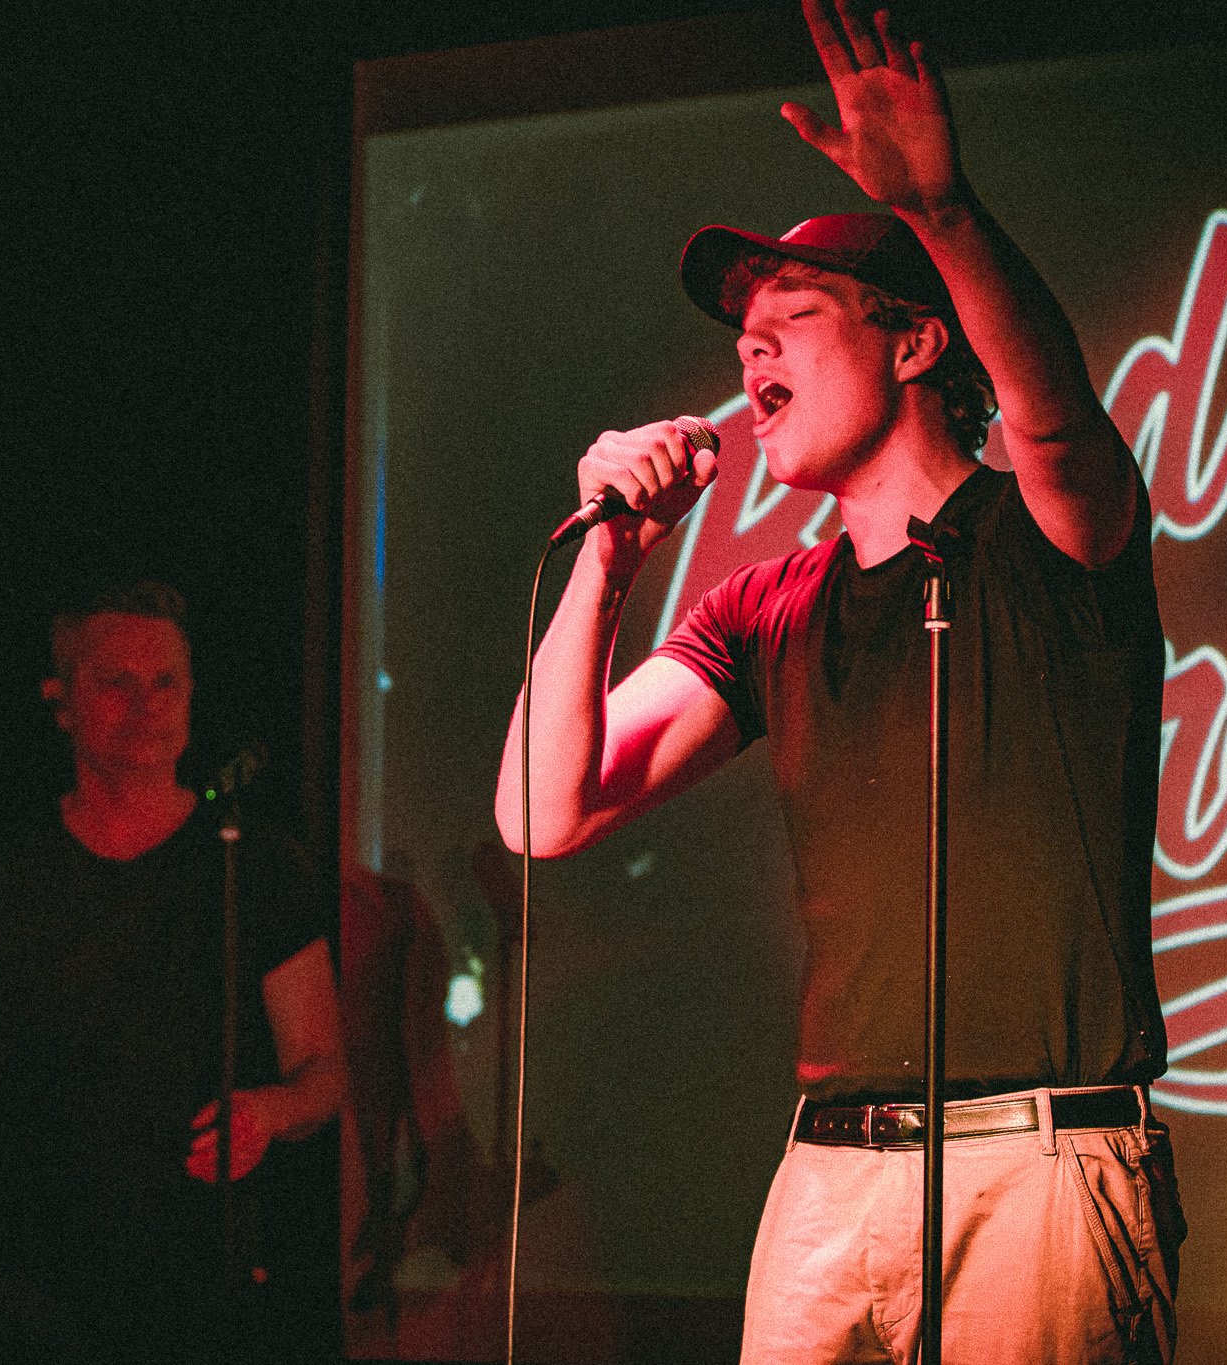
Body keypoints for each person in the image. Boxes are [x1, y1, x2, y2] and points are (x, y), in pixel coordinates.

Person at [494, 3, 1182, 1362]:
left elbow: (1050, 412)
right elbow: (540, 813)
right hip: (827, 1172)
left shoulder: (1046, 535)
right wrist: (614, 563)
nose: (752, 354)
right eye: (741, 336)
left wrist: (942, 209)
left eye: (791, 320)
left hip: (1038, 1162)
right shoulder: (762, 605)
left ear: (917, 342)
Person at [0, 583, 345, 1362]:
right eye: (117, 680)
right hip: (24, 1285)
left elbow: (323, 1068)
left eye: (165, 681)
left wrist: (270, 1112)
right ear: (61, 699)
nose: (146, 703)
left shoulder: (256, 862)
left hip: (200, 1290)